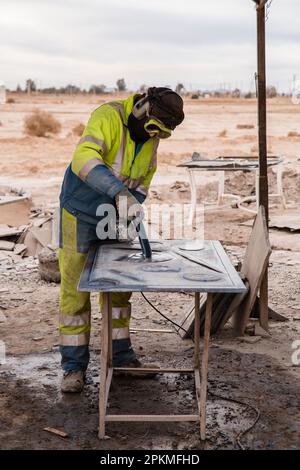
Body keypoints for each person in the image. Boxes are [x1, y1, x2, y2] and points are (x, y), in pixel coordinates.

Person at [59, 87, 184, 392]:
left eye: (162, 134)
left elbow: (144, 179)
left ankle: (122, 357)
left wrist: (133, 204)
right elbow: (83, 159)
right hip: (78, 213)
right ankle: (73, 368)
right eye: (153, 128)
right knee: (76, 290)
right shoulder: (108, 117)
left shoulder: (151, 141)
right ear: (141, 108)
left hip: (114, 217)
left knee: (118, 290)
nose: (154, 136)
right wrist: (119, 193)